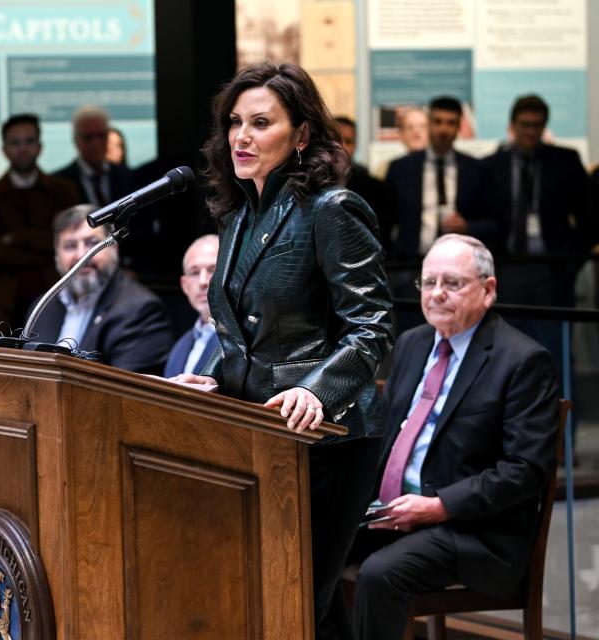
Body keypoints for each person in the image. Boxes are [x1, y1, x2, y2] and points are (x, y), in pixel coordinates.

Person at [174, 62, 394, 640]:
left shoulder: (332, 210)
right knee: (308, 605)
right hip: (258, 427)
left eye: (261, 122)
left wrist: (314, 390)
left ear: (301, 136)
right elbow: (254, 338)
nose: (241, 136)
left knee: (293, 598)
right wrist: (220, 381)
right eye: (235, 123)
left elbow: (371, 327)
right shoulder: (239, 214)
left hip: (327, 437)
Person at [348, 234, 560, 640]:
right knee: (312, 547)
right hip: (392, 514)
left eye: (453, 283)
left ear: (488, 289)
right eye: (429, 283)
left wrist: (438, 507)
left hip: (474, 532)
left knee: (380, 574)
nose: (437, 294)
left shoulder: (524, 361)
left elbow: (525, 470)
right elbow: (384, 436)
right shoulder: (412, 344)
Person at [26, 204, 174, 375]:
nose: (82, 255)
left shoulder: (141, 310)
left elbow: (124, 393)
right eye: (70, 246)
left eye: (93, 243)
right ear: (56, 257)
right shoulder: (42, 306)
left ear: (114, 248)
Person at [478, 95, 592, 307]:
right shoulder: (491, 166)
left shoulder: (565, 161)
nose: (531, 131)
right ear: (512, 126)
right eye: (525, 125)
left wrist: (571, 261)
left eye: (537, 125)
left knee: (552, 335)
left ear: (544, 127)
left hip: (553, 267)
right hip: (505, 265)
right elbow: (481, 216)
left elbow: (588, 217)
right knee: (506, 333)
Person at [0, 114, 79, 328]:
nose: (23, 148)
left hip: (55, 296)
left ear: (40, 147)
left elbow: (70, 243)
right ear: (4, 150)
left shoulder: (64, 191)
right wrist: (45, 244)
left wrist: (16, 237)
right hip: (4, 306)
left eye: (29, 141)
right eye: (15, 142)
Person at [384, 96, 490, 259]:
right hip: (410, 262)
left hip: (459, 262)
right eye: (438, 121)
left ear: (459, 127)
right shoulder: (401, 168)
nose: (443, 129)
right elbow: (386, 220)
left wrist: (468, 226)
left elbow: (493, 222)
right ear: (429, 124)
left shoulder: (475, 169)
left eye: (450, 123)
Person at [163, 234, 220, 377]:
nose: (203, 281)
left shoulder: (245, 340)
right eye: (194, 272)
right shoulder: (179, 346)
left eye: (212, 270)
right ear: (185, 285)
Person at [54, 106, 134, 207]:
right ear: (76, 140)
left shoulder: (128, 177)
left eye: (101, 135)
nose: (96, 143)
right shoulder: (59, 184)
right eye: (88, 137)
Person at [335, 116, 392, 241]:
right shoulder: (306, 185)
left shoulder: (376, 190)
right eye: (335, 140)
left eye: (348, 141)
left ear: (354, 147)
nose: (341, 147)